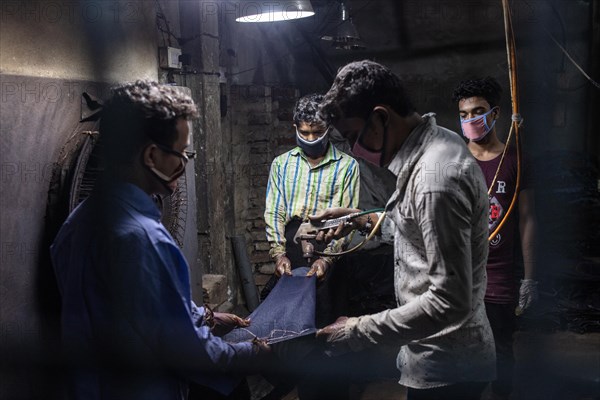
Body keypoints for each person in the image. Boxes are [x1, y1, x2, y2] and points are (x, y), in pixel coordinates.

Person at [50, 80, 269, 400]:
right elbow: (188, 352)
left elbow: (136, 309)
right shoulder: (146, 242)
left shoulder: (74, 225)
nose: (183, 164)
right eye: (179, 153)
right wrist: (250, 355)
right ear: (151, 155)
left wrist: (204, 317)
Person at [311, 60, 496, 400]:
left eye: (354, 136)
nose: (354, 149)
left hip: (448, 366)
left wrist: (357, 330)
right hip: (436, 356)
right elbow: (414, 228)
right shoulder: (435, 143)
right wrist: (358, 219)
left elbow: (449, 301)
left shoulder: (433, 179)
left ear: (381, 117)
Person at [452, 76, 538, 400]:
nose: (470, 120)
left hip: (499, 280)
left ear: (496, 113)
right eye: (463, 114)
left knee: (501, 353)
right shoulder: (452, 162)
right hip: (459, 280)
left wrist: (530, 279)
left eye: (478, 111)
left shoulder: (516, 160)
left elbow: (528, 220)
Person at [262, 93, 360, 299]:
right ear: (295, 128)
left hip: (328, 242)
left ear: (329, 129)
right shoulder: (282, 164)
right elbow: (274, 212)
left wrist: (327, 259)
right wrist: (279, 254)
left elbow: (348, 222)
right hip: (291, 244)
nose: (310, 138)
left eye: (317, 132)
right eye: (304, 132)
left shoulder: (347, 167)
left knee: (325, 310)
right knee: (286, 309)